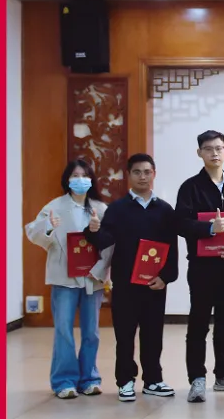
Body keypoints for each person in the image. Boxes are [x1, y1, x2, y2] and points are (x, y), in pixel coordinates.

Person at [86, 153, 180, 402]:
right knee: (125, 335)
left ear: (154, 174)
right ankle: (125, 381)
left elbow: (171, 246)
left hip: (155, 284)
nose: (142, 177)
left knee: (153, 335)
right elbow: (105, 240)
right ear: (128, 175)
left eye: (147, 172)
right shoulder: (117, 209)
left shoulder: (164, 210)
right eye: (137, 172)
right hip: (125, 285)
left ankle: (153, 380)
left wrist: (166, 277)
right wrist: (93, 231)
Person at [176, 130, 224, 403]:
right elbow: (180, 224)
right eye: (208, 149)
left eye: (219, 148)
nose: (214, 153)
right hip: (201, 267)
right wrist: (209, 228)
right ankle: (197, 379)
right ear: (199, 153)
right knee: (198, 323)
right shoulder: (190, 188)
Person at [25, 158, 111, 399]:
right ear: (67, 180)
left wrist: (99, 236)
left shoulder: (100, 208)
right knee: (63, 330)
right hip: (64, 277)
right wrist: (49, 226)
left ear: (91, 179)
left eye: (84, 175)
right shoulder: (54, 206)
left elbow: (111, 244)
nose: (79, 180)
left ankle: (89, 378)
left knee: (92, 331)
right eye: (75, 176)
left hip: (92, 278)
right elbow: (33, 231)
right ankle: (64, 381)